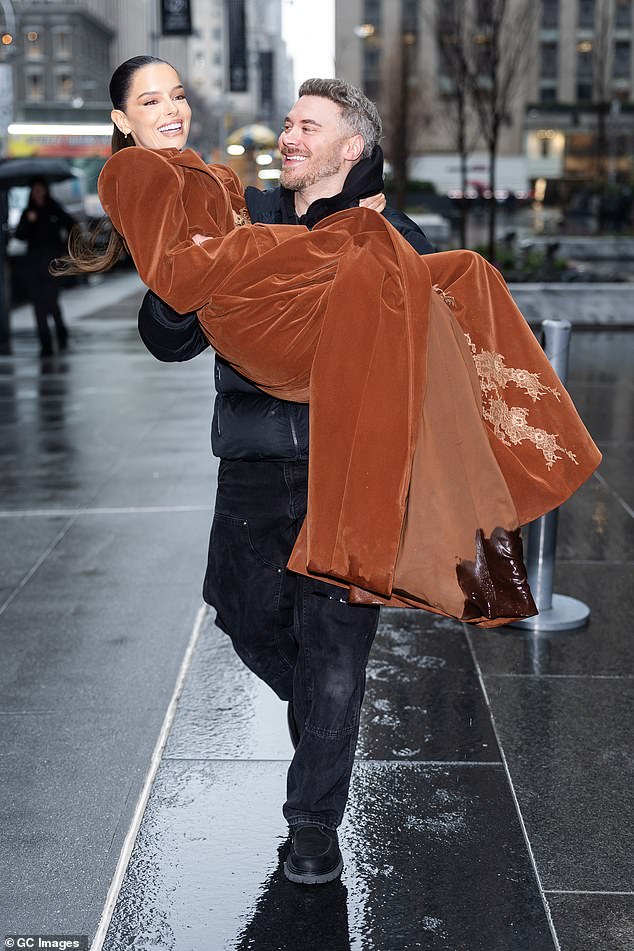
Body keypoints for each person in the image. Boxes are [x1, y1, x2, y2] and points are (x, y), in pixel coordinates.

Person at [58, 57, 601, 885]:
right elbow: (168, 337)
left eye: (306, 127)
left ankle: (312, 826)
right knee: (242, 613)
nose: (288, 137)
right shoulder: (243, 213)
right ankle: (323, 712)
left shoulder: (396, 234)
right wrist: (175, 287)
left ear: (351, 148)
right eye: (287, 124)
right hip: (253, 460)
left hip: (350, 468)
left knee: (338, 651)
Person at [16, 179, 76, 357]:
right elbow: (20, 235)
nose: (38, 193)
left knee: (51, 300)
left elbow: (71, 224)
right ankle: (45, 342)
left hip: (52, 264)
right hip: (34, 265)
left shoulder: (54, 208)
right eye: (35, 190)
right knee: (38, 303)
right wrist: (29, 221)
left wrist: (65, 248)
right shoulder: (28, 212)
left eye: (40, 189)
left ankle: (61, 332)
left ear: (45, 191)